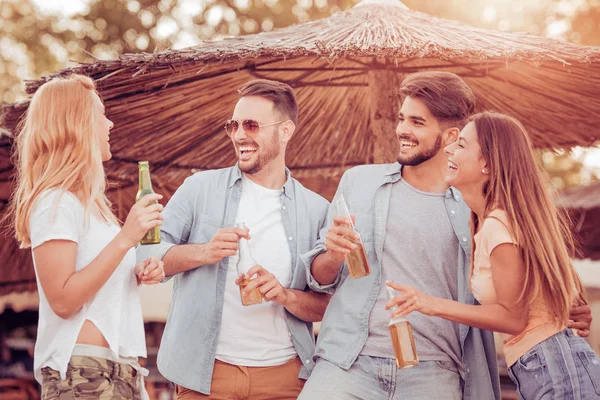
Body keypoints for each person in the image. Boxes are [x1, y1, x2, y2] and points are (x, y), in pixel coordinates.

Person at [299, 71, 593, 400]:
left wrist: (566, 307)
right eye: (401, 119)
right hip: (349, 363)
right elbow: (318, 278)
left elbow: (523, 275)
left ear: (452, 135)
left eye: (417, 122)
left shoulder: (476, 209)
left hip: (435, 370)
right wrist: (332, 255)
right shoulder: (358, 183)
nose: (402, 130)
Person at [136, 79, 331, 399]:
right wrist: (203, 252)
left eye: (252, 125)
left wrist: (284, 295)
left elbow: (325, 306)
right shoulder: (199, 188)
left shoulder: (316, 210)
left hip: (285, 379)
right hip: (205, 376)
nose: (240, 135)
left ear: (285, 131)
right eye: (234, 125)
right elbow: (146, 253)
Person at [386, 111, 600, 399]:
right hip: (545, 364)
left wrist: (428, 303)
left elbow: (513, 318)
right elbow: (551, 294)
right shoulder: (492, 221)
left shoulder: (498, 225)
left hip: (554, 365)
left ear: (487, 162)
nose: (448, 148)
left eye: (461, 145)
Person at [9, 74, 165, 399]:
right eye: (100, 115)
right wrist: (125, 238)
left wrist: (132, 273)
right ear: (76, 125)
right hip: (84, 374)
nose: (109, 124)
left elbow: (95, 282)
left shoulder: (93, 206)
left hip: (122, 370)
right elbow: (64, 301)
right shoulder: (55, 200)